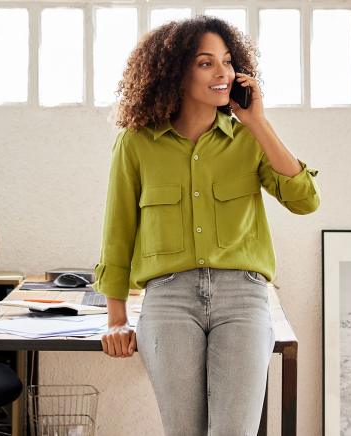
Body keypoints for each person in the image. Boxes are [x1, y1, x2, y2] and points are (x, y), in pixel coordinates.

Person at [92, 15, 320, 436]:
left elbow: (304, 199)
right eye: (206, 63)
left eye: (228, 61)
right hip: (168, 299)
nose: (224, 73)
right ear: (175, 72)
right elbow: (118, 230)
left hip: (243, 297)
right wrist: (116, 318)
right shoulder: (137, 142)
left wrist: (257, 123)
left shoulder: (250, 139)